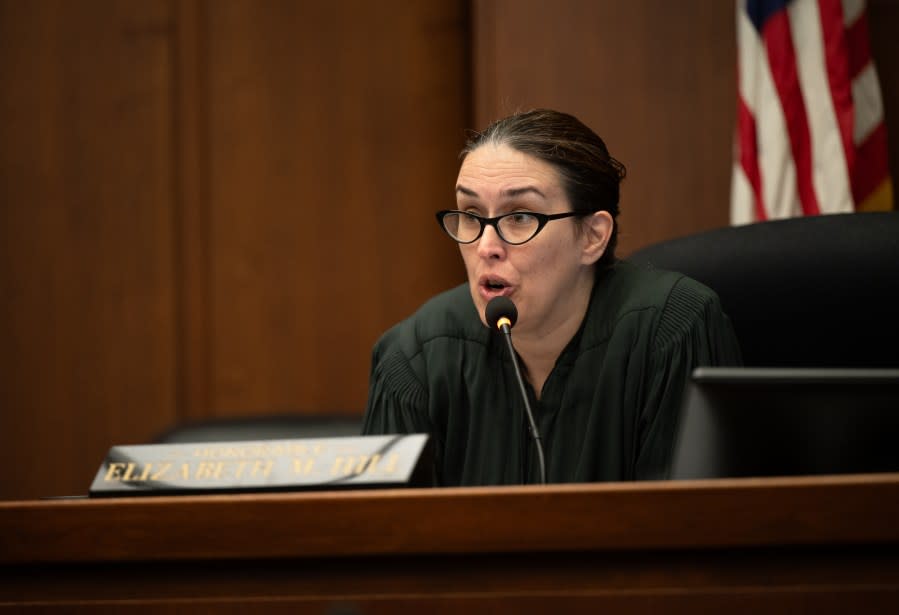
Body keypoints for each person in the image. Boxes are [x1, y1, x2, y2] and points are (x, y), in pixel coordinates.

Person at [361, 109, 742, 486]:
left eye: (521, 216)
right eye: (472, 214)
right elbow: (385, 535)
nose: (485, 246)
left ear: (592, 236)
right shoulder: (415, 357)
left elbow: (694, 527)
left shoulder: (670, 332)